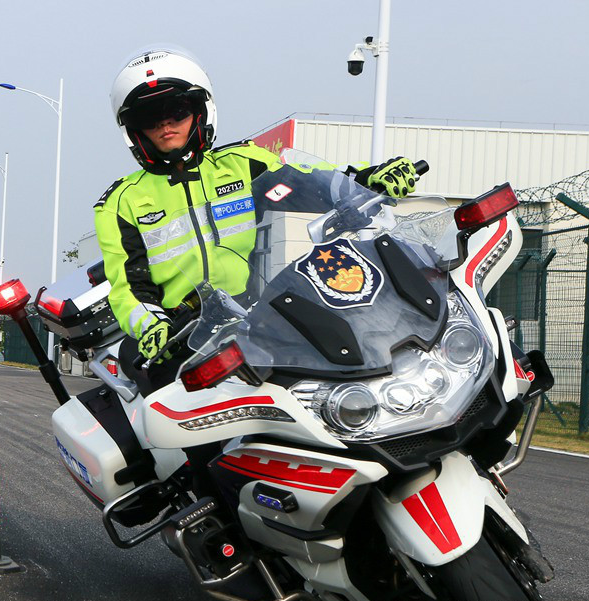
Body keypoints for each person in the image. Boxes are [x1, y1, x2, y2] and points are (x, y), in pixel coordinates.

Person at [94, 47, 420, 395]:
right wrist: (151, 325)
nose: (164, 124)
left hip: (260, 317)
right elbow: (128, 288)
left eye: (175, 111)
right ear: (135, 129)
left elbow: (315, 183)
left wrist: (366, 182)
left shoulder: (243, 163)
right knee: (190, 434)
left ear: (199, 110)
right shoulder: (119, 203)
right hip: (181, 337)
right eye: (149, 117)